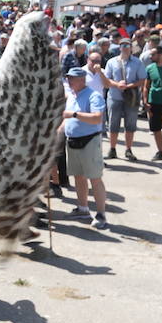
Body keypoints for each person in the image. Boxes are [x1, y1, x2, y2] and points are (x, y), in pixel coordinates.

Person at [61, 67, 108, 229]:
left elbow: (97, 118)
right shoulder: (72, 96)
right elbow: (65, 119)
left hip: (89, 142)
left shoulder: (94, 96)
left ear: (81, 80)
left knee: (95, 178)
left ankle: (101, 214)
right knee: (78, 177)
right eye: (68, 78)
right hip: (72, 141)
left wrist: (74, 114)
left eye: (72, 78)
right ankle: (83, 208)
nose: (68, 81)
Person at [103, 39, 147, 161]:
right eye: (123, 45)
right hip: (114, 97)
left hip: (131, 98)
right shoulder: (111, 62)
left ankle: (128, 149)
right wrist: (117, 85)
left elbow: (143, 79)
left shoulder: (137, 62)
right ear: (119, 47)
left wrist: (129, 86)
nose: (126, 47)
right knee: (113, 124)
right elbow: (106, 80)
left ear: (131, 48)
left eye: (128, 45)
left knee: (130, 125)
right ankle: (112, 149)